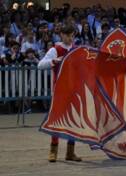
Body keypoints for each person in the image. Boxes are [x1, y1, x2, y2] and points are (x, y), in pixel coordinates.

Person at [38, 25, 82, 163]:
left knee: (73, 122)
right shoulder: (55, 50)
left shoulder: (77, 49)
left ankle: (70, 152)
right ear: (61, 35)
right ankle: (53, 151)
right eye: (68, 35)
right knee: (56, 121)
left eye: (72, 35)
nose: (70, 38)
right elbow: (40, 65)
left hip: (74, 90)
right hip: (59, 91)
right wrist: (53, 61)